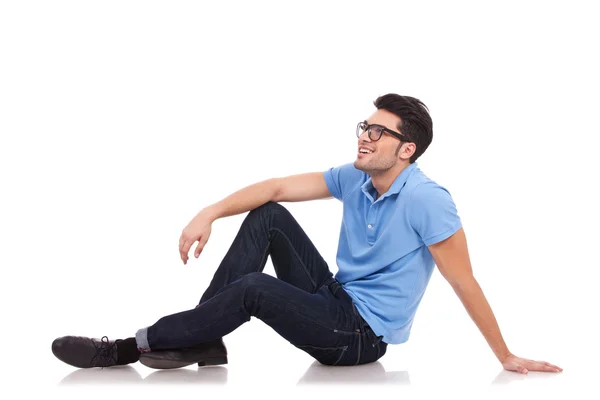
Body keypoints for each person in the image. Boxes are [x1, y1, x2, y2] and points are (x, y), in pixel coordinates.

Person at [52, 93, 562, 374]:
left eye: (378, 131)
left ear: (406, 150)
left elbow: (464, 281)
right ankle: (204, 340)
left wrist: (505, 355)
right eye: (364, 125)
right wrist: (210, 210)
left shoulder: (428, 200)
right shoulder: (356, 177)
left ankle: (122, 349)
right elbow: (276, 186)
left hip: (359, 338)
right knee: (267, 215)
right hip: (337, 299)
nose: (365, 135)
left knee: (253, 289)